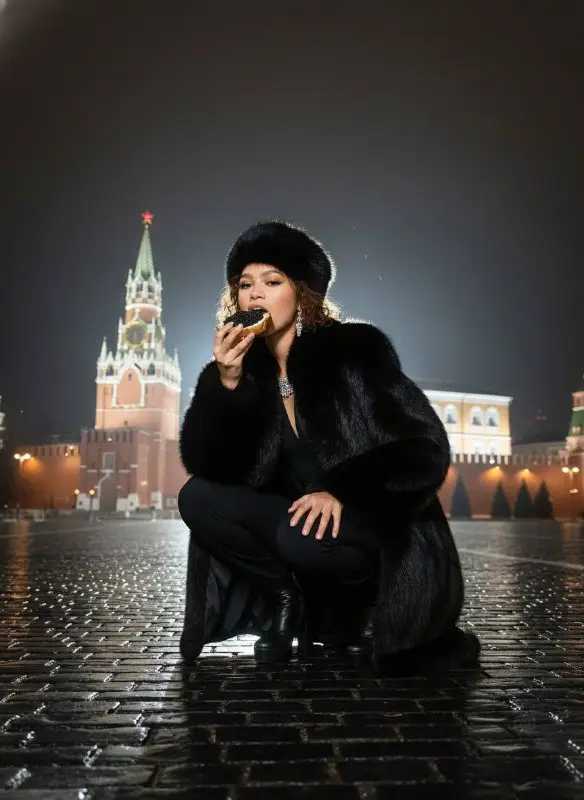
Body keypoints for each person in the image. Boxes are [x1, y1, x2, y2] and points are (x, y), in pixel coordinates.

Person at [178, 220, 479, 672]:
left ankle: (369, 615)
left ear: (302, 293)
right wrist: (227, 383)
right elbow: (213, 467)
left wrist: (342, 490)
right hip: (299, 526)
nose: (255, 294)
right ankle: (287, 600)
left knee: (301, 534)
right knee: (197, 498)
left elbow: (425, 447)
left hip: (372, 525)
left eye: (272, 281)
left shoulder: (354, 351)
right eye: (245, 284)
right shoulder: (240, 373)